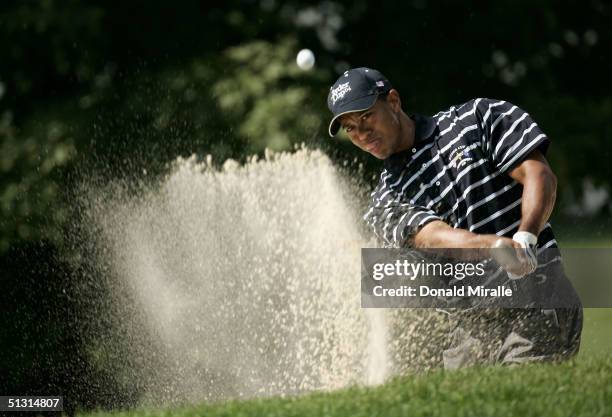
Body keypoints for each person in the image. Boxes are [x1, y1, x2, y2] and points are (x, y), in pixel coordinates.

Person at [327, 67, 582, 368]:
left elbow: (538, 174)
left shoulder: (476, 119)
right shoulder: (384, 201)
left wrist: (525, 237)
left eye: (366, 116)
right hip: (470, 327)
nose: (361, 133)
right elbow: (434, 238)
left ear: (393, 101)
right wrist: (494, 248)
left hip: (537, 298)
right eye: (350, 128)